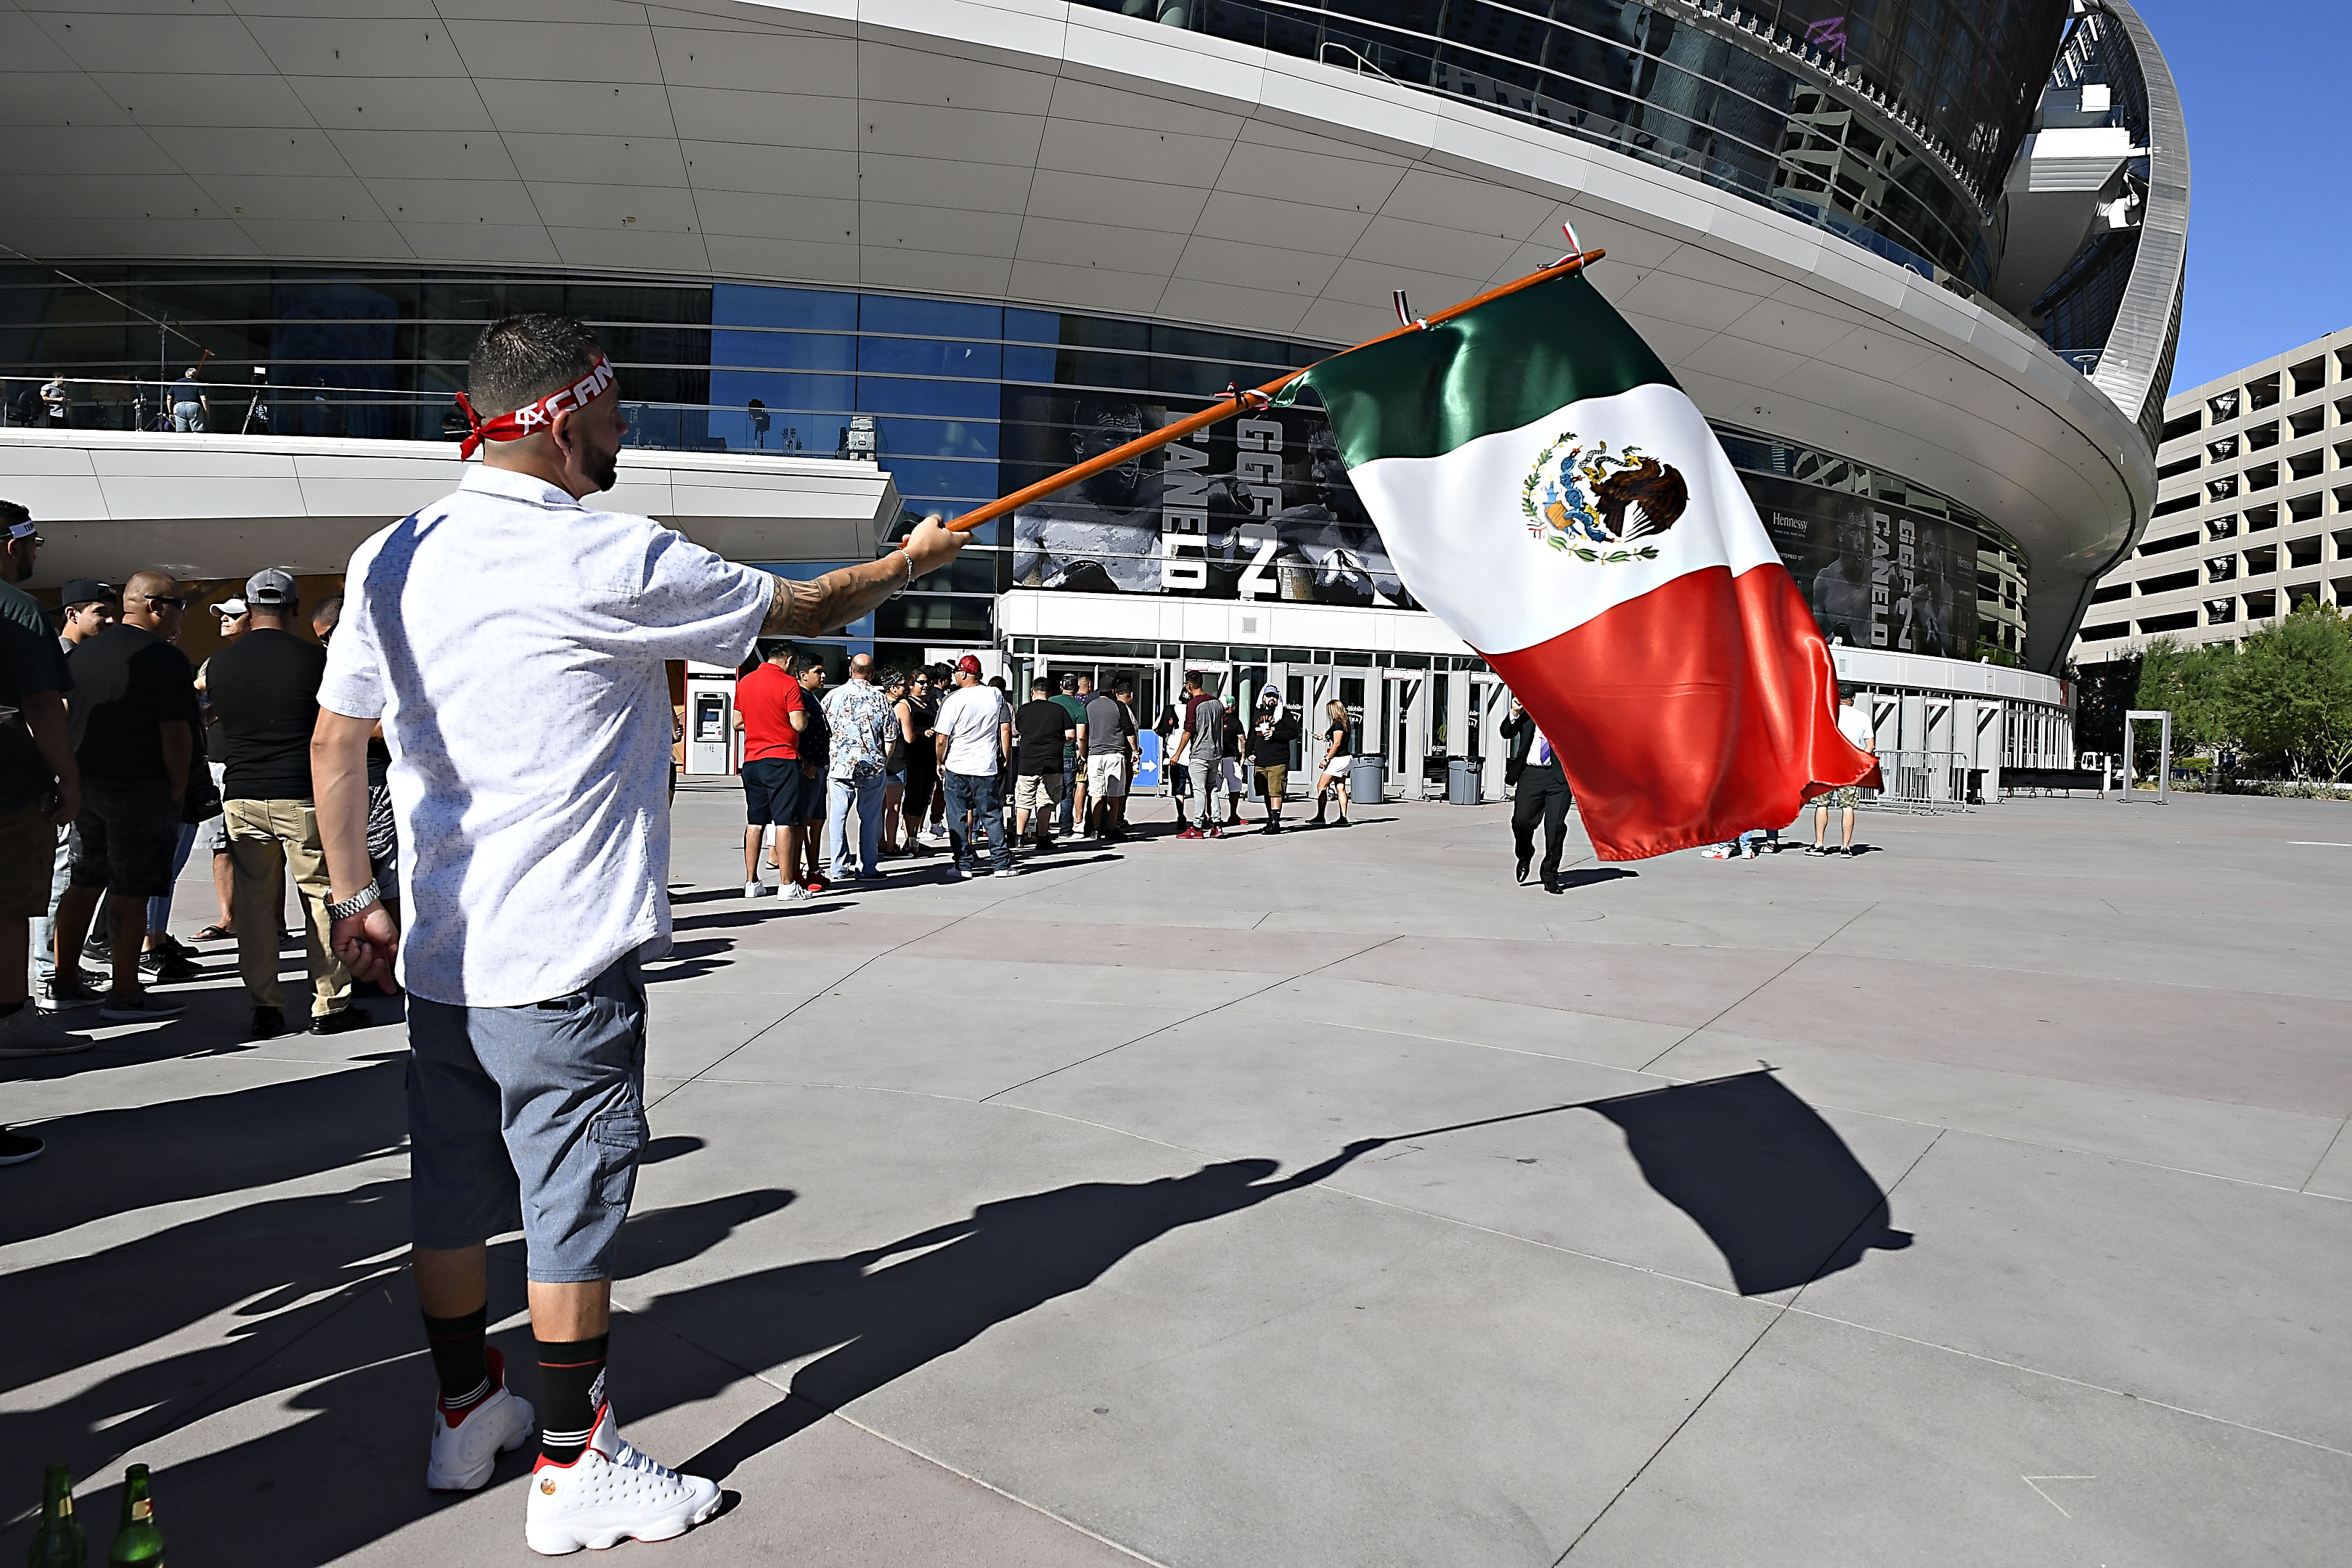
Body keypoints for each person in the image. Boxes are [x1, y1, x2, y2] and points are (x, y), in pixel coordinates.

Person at [307, 311, 964, 1553]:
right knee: (571, 1211)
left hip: (443, 958)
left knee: (450, 1197)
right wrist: (911, 562)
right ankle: (575, 1465)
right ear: (563, 418)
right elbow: (807, 605)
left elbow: (338, 741)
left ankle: (466, 1416)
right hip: (560, 957)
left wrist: (354, 901)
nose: (625, 433)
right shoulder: (604, 553)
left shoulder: (391, 555)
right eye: (613, 414)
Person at [205, 568, 360, 1039]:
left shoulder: (220, 664)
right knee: (321, 898)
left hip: (242, 795)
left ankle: (265, 1006)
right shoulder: (315, 661)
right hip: (301, 794)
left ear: (250, 610)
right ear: (294, 610)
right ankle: (329, 1003)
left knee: (253, 907)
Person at [48, 571, 195, 1024]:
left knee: (84, 880)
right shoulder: (163, 658)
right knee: (132, 889)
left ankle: (65, 980)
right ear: (156, 607)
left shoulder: (83, 653)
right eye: (180, 605)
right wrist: (178, 786)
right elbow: (176, 733)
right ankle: (125, 992)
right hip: (141, 786)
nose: (182, 616)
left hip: (87, 783)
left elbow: (62, 715)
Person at [1, 612, 88, 1066]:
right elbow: (42, 703)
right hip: (10, 792)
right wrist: (68, 776)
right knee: (10, 905)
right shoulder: (17, 610)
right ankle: (10, 1017)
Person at [32, 579, 114, 1005]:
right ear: (72, 614)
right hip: (63, 780)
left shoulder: (83, 657)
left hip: (77, 777)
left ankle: (61, 964)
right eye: (101, 613)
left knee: (71, 873)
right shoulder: (59, 659)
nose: (109, 621)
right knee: (64, 874)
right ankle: (51, 968)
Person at [733, 643, 807, 899]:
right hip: (781, 759)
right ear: (789, 660)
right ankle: (787, 885)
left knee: (755, 822)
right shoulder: (789, 684)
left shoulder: (746, 682)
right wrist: (800, 717)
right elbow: (798, 724)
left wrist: (761, 722)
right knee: (784, 821)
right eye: (795, 665)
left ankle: (751, 882)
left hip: (753, 760)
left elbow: (737, 722)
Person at [934, 653, 1013, 878]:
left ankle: (963, 865)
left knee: (957, 817)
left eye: (957, 671)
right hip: (985, 766)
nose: (954, 675)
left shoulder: (953, 700)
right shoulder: (995, 694)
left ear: (965, 674)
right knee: (992, 815)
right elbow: (1004, 726)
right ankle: (1001, 864)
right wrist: (1005, 756)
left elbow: (941, 738)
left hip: (958, 765)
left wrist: (940, 761)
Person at [821, 652, 892, 881]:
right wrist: (883, 760)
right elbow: (890, 737)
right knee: (870, 818)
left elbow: (822, 731)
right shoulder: (881, 699)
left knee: (838, 816)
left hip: (840, 766)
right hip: (871, 766)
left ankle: (838, 866)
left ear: (851, 670)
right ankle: (867, 867)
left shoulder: (832, 696)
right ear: (872, 674)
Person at [1500, 699, 1571, 893]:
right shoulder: (1528, 712)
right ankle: (1525, 854)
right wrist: (1515, 712)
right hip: (1531, 775)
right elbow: (1506, 732)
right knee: (1521, 822)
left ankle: (1550, 875)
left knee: (1555, 828)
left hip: (1560, 778)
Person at [1810, 685, 1876, 856]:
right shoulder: (1862, 717)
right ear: (1853, 698)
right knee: (1848, 806)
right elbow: (1870, 745)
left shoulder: (1827, 714)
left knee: (1822, 804)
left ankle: (1819, 845)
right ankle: (1845, 847)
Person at [1012, 677, 1073, 850]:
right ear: (1050, 693)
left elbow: (1016, 732)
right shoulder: (1059, 710)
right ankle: (1043, 838)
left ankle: (1019, 837)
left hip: (1027, 763)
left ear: (1032, 692)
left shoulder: (1023, 710)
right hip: (1052, 763)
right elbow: (1071, 735)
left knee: (1024, 801)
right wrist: (1059, 742)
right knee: (1045, 801)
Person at [1169, 672, 1228, 839]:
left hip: (1200, 753)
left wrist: (1177, 754)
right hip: (1215, 753)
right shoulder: (1216, 702)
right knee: (1212, 788)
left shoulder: (1193, 704)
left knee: (1199, 790)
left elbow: (1188, 730)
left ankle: (1197, 827)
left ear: (1189, 685)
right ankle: (1217, 825)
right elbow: (1224, 725)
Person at [790, 656, 830, 891]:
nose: (823, 676)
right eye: (818, 671)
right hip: (808, 769)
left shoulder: (812, 697)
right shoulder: (799, 698)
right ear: (803, 675)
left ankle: (814, 869)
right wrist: (804, 763)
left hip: (820, 765)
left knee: (817, 820)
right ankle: (795, 872)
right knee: (802, 822)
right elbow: (792, 734)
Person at [1079, 677, 1137, 840]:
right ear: (1113, 690)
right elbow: (1129, 731)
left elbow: (1083, 733)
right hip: (1115, 755)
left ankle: (1095, 829)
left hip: (1094, 755)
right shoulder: (1119, 706)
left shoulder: (1089, 706)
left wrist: (1084, 754)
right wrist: (1135, 751)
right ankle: (1112, 828)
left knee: (1096, 793)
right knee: (1114, 794)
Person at [895, 668, 936, 855]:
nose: (925, 685)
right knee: (912, 798)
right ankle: (909, 839)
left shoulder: (930, 704)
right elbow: (903, 731)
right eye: (921, 682)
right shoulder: (906, 704)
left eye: (927, 682)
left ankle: (915, 839)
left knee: (923, 799)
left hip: (929, 757)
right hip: (913, 757)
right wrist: (921, 732)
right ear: (911, 685)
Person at [1246, 687, 1299, 833]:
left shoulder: (1284, 714)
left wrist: (1275, 733)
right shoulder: (1258, 713)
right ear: (1263, 698)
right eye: (1269, 696)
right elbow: (1252, 734)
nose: (1272, 699)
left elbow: (1294, 732)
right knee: (1266, 792)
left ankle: (1276, 824)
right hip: (1261, 760)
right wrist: (1249, 752)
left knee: (1276, 792)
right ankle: (1270, 821)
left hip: (1278, 759)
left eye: (1274, 696)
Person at [1051, 671, 1089, 836]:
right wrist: (1083, 755)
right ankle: (1065, 829)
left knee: (1045, 792)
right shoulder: (1079, 707)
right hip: (1068, 754)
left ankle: (1043, 827)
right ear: (1077, 688)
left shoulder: (1051, 702)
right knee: (1067, 794)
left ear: (1061, 687)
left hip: (1050, 754)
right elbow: (1081, 736)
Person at [1312, 698, 1352, 827]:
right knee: (1340, 787)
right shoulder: (1345, 723)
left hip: (1339, 759)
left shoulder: (1338, 724)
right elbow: (1336, 740)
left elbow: (1337, 743)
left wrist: (1326, 759)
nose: (1328, 713)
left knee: (1321, 786)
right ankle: (1343, 818)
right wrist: (1324, 737)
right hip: (1345, 759)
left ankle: (1320, 816)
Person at [170, 367, 208, 433]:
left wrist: (170, 412)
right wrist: (206, 412)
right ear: (194, 375)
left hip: (179, 406)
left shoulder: (176, 383)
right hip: (194, 406)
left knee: (181, 432)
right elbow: (204, 399)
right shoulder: (197, 383)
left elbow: (169, 398)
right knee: (198, 431)